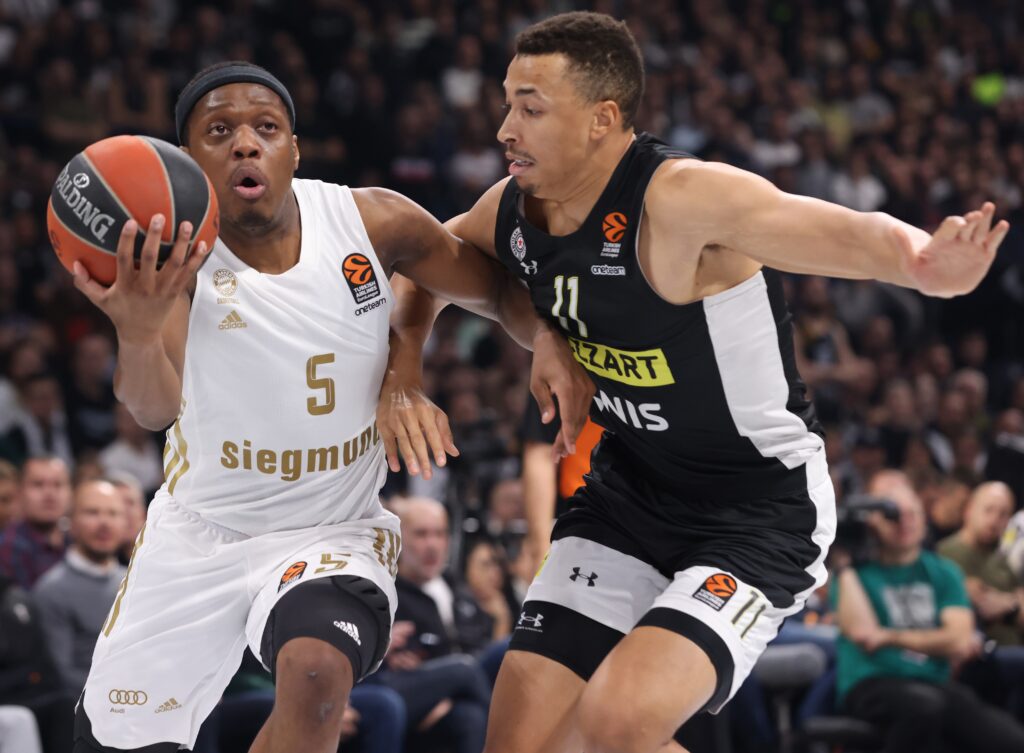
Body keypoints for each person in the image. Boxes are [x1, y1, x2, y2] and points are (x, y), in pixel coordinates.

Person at [380, 11, 1009, 753]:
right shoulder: (513, 210)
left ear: (600, 120)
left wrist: (926, 266)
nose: (504, 129)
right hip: (632, 494)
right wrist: (418, 371)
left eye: (529, 107)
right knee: (518, 740)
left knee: (620, 721)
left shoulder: (680, 201)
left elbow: (839, 230)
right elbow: (422, 258)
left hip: (757, 510)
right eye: (507, 102)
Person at [67, 61, 591, 753]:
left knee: (317, 672)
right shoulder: (178, 258)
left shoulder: (370, 220)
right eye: (219, 132)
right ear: (189, 161)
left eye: (266, 128)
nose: (246, 144)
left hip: (330, 530)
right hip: (203, 532)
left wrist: (548, 338)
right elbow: (153, 407)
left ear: (294, 148)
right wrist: (135, 332)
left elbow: (493, 291)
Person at [835, 470, 1024, 753]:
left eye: (912, 514)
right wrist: (842, 563)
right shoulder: (854, 574)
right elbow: (862, 631)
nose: (904, 522)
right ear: (875, 522)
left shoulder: (943, 572)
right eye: (893, 515)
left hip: (932, 681)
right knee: (923, 709)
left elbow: (958, 639)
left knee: (1009, 740)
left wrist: (887, 637)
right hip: (872, 682)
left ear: (924, 520)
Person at [33, 479, 127, 698]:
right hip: (93, 711)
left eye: (113, 514)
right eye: (92, 512)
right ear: (70, 522)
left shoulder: (138, 583)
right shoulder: (52, 590)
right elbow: (62, 674)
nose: (104, 522)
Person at [0, 456, 71, 590]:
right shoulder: (9, 547)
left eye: (58, 485)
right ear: (20, 492)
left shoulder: (78, 540)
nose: (49, 494)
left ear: (70, 492)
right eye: (38, 484)